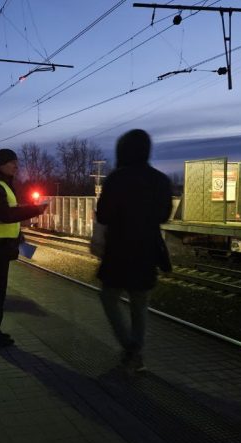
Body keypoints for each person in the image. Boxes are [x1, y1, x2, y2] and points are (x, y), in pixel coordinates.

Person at [95, 129, 172, 374]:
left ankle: (130, 348)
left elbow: (103, 215)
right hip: (147, 250)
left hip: (118, 250)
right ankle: (136, 352)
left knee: (109, 298)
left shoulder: (115, 179)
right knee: (139, 305)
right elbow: (163, 215)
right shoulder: (160, 180)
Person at [0, 148, 48, 347]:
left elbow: (9, 215)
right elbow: (4, 214)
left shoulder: (2, 184)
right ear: (1, 164)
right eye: (12, 163)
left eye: (17, 163)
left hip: (1, 245)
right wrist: (35, 210)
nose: (17, 167)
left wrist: (19, 234)